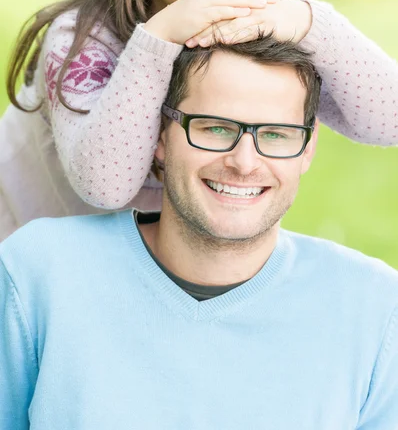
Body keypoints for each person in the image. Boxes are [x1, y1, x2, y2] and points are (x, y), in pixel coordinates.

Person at [1, 0, 397, 240]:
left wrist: (313, 23)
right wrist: (159, 38)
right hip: (23, 249)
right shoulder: (83, 37)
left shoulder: (270, 32)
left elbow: (391, 119)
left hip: (159, 266)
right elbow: (105, 185)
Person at [1, 36, 397, 429]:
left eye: (276, 134)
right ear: (158, 134)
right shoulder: (37, 274)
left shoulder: (375, 308)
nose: (244, 162)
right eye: (214, 128)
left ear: (307, 148)